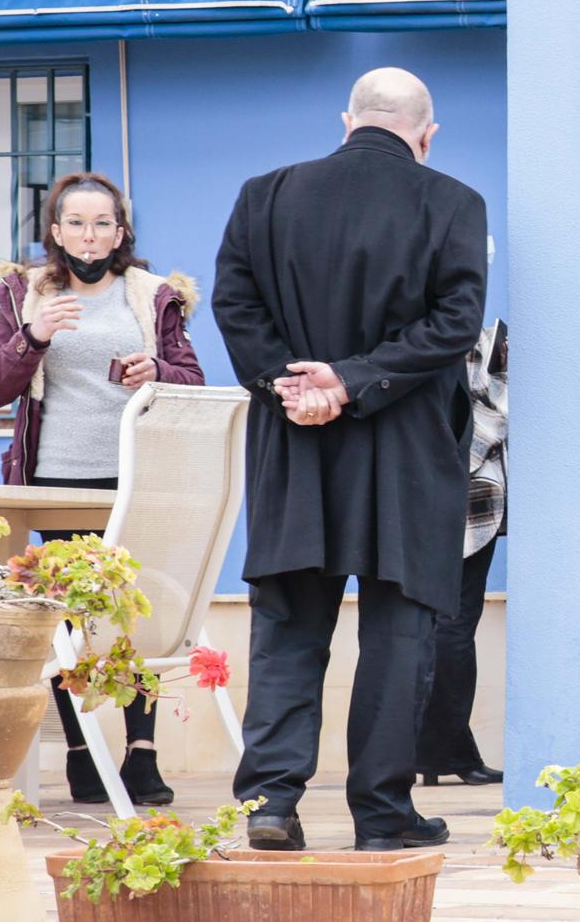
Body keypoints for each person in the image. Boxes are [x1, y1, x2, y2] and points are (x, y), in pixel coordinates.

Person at [212, 67, 487, 853]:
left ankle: (271, 801)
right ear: (426, 135)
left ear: (347, 121)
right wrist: (356, 380)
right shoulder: (453, 202)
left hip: (296, 446)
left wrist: (294, 383)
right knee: (401, 630)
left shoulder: (263, 195)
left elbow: (236, 305)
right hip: (405, 453)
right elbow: (455, 324)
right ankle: (382, 810)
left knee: (290, 626)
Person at [0, 171, 205, 807]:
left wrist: (156, 370)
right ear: (55, 230)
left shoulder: (154, 295)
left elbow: (192, 378)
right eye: (76, 222)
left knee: (133, 612)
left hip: (135, 478)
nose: (90, 234)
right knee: (70, 619)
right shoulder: (25, 292)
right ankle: (81, 751)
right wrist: (35, 335)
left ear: (121, 230)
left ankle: (141, 752)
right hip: (54, 482)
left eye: (103, 222)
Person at [416, 321, 507, 788]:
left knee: (426, 625)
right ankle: (445, 749)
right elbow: (493, 413)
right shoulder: (471, 339)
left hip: (416, 490)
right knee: (453, 625)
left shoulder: (403, 332)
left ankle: (440, 748)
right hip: (466, 496)